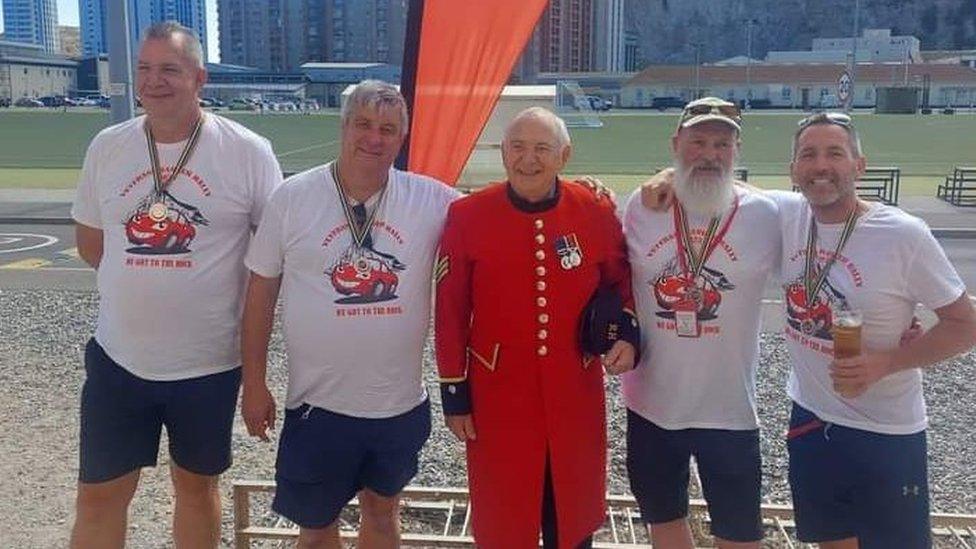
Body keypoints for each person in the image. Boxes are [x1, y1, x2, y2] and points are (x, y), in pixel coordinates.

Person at [70, 21, 282, 548]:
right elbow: (93, 245)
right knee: (99, 495)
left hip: (207, 365)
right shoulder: (108, 146)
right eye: (144, 69)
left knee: (195, 488)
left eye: (169, 69)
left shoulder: (247, 151)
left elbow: (272, 259)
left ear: (199, 78)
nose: (153, 81)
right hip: (120, 359)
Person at [240, 80, 460, 548]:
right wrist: (254, 384)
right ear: (343, 127)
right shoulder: (293, 197)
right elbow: (260, 295)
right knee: (317, 529)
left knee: (382, 517)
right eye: (362, 124)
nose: (374, 138)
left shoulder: (432, 200)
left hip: (397, 405)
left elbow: (504, 215)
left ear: (402, 139)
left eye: (387, 129)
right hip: (318, 406)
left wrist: (576, 189)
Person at [435, 106, 640, 548]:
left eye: (542, 149)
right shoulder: (467, 215)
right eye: (518, 147)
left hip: (574, 393)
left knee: (572, 516)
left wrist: (628, 331)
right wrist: (455, 393)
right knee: (506, 516)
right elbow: (450, 308)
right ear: (503, 152)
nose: (529, 159)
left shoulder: (594, 208)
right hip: (498, 397)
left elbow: (622, 280)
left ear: (564, 156)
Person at [774, 112, 976, 548]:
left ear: (858, 166)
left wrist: (888, 362)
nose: (820, 165)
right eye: (808, 155)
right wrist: (664, 180)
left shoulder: (903, 235)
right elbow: (723, 189)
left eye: (834, 153)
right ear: (793, 170)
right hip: (811, 420)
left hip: (886, 432)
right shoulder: (786, 216)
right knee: (832, 540)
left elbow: (966, 325)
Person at [621, 97, 779, 549]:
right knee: (665, 522)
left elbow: (833, 229)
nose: (709, 154)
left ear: (737, 151)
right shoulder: (641, 205)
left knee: (739, 533)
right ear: (676, 144)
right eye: (697, 142)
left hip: (729, 409)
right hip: (652, 404)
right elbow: (611, 274)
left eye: (721, 144)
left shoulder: (767, 213)